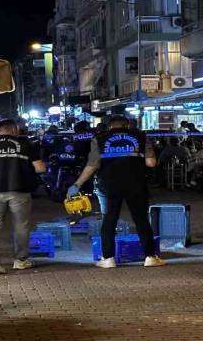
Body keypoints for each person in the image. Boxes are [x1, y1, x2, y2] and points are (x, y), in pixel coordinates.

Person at [68, 115, 164, 269]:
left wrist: (77, 184)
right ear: (127, 126)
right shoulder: (140, 136)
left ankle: (108, 259)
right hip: (136, 184)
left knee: (109, 220)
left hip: (108, 185)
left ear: (109, 126)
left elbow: (92, 165)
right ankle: (150, 257)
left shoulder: (99, 138)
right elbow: (151, 163)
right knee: (141, 220)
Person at [0, 118, 46, 274]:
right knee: (21, 225)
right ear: (15, 130)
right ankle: (20, 260)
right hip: (19, 191)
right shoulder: (26, 146)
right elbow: (40, 168)